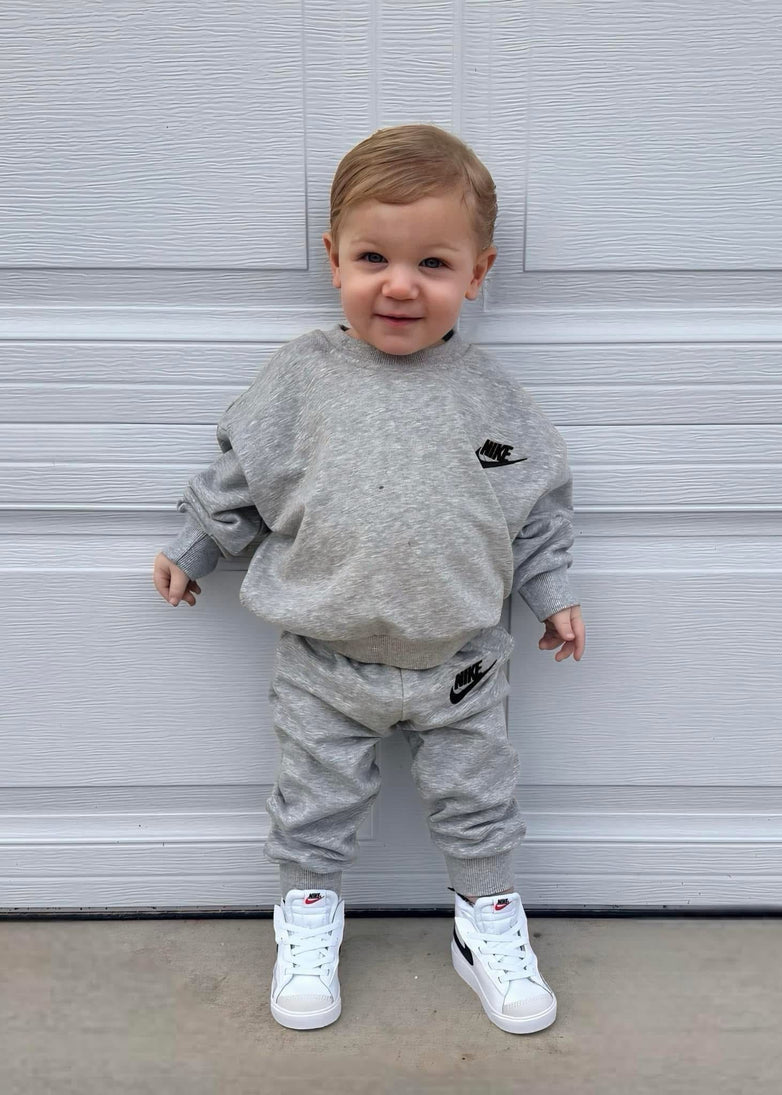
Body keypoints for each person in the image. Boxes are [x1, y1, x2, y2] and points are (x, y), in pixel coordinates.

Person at [152, 123, 586, 1036]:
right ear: (334, 259)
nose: (399, 285)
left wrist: (552, 594)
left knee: (480, 798)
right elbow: (240, 479)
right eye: (373, 258)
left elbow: (537, 505)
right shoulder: (301, 379)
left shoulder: (491, 393)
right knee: (313, 799)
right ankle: (308, 917)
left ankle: (485, 921)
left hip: (461, 658)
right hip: (325, 655)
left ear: (477, 272)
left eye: (433, 263)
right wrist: (194, 548)